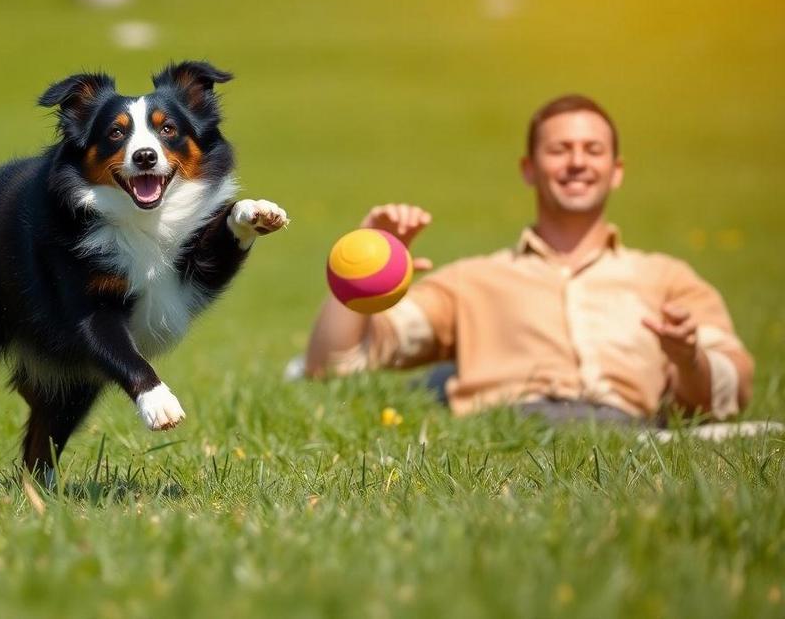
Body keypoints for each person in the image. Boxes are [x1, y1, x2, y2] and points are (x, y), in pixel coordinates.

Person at [303, 95, 754, 423]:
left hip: (627, 431)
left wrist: (690, 359)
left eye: (593, 150)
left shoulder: (665, 278)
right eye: (559, 150)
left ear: (616, 171)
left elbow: (734, 388)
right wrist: (362, 272)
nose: (577, 161)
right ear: (529, 168)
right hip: (514, 428)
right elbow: (334, 365)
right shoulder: (473, 281)